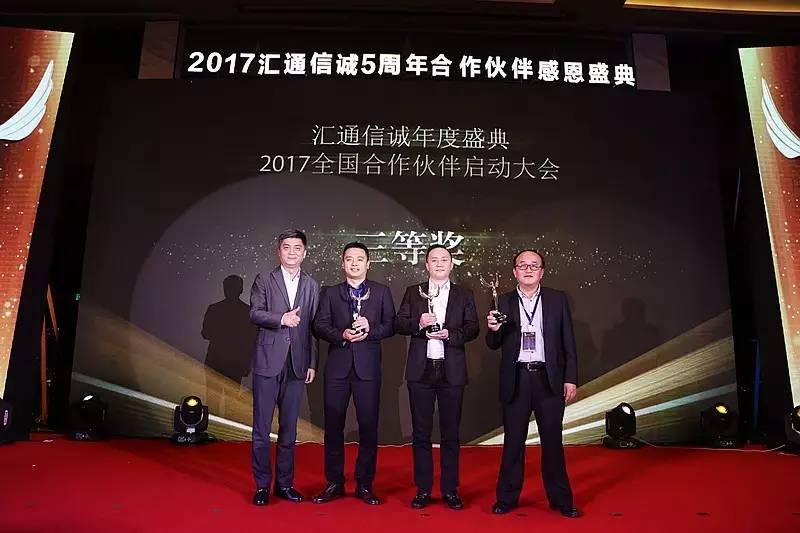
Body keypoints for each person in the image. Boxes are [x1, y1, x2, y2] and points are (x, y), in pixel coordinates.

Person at [486, 249, 580, 518]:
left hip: (548, 378)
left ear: (542, 272)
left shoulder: (556, 299)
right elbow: (492, 344)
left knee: (552, 442)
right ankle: (506, 498)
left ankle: (561, 500)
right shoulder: (502, 300)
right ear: (514, 271)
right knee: (513, 442)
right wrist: (494, 330)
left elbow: (568, 342)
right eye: (523, 265)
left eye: (534, 265)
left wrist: (570, 378)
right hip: (516, 378)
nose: (528, 270)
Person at [394, 244, 479, 510]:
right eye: (434, 260)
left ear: (451, 265)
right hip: (421, 370)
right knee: (420, 432)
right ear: (426, 265)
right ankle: (423, 489)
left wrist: (450, 335)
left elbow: (473, 328)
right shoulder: (414, 292)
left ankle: (450, 489)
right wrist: (418, 324)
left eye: (444, 259)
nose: (439, 264)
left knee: (451, 433)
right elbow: (399, 323)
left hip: (451, 370)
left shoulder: (464, 294)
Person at [312, 242, 396, 505]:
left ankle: (364, 484)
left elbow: (391, 325)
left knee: (368, 427)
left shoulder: (381, 292)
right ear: (343, 263)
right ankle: (334, 482)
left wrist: (370, 329)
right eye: (349, 259)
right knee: (333, 427)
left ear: (368, 263)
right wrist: (342, 335)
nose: (355, 263)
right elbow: (319, 325)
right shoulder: (331, 293)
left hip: (367, 368)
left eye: (360, 259)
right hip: (338, 368)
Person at [249, 229, 319, 506]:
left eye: (297, 247)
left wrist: (311, 362)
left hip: (297, 364)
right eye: (286, 247)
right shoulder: (264, 279)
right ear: (278, 251)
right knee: (261, 428)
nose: (292, 252)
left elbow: (312, 327)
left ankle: (285, 484)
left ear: (305, 253)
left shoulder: (311, 285)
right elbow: (254, 313)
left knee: (289, 429)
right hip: (268, 361)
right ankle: (262, 486)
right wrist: (282, 319)